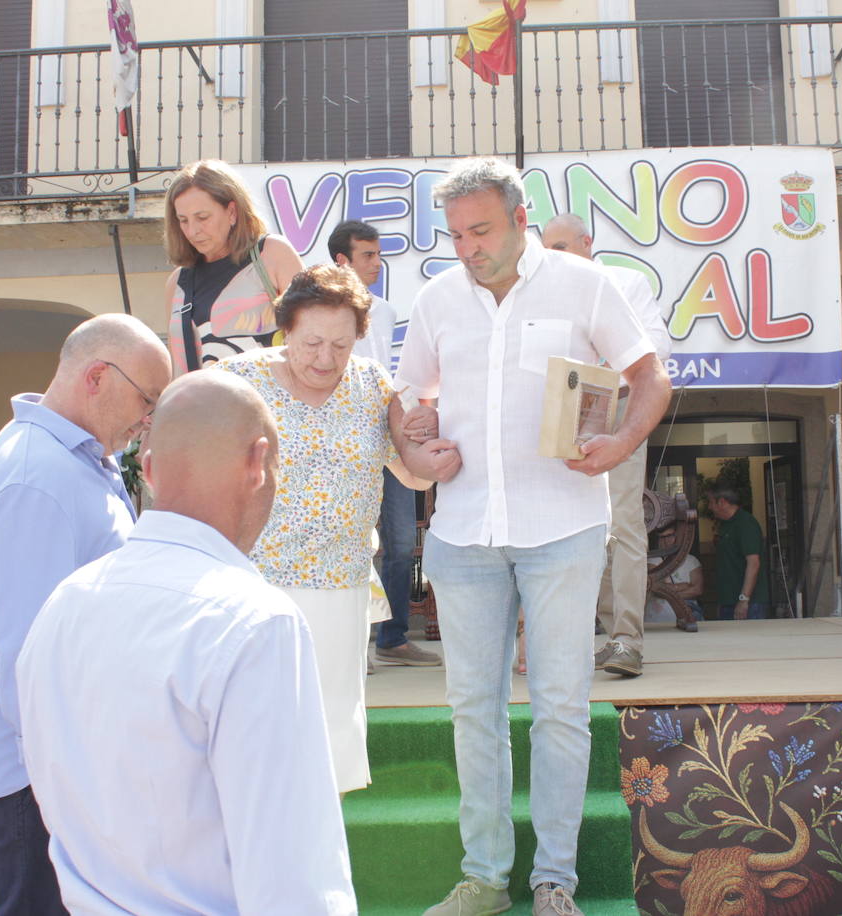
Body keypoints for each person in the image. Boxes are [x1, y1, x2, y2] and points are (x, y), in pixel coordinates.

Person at [395, 157, 670, 916]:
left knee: (560, 708)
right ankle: (485, 877)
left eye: (481, 229)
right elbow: (405, 398)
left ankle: (556, 882)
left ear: (521, 220)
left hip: (563, 528)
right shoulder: (437, 299)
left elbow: (651, 379)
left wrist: (620, 446)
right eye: (455, 234)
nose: (468, 247)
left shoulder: (585, 284)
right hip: (463, 532)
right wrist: (414, 448)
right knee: (472, 709)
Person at [16, 370, 357, 915]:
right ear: (258, 463)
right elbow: (292, 875)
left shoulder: (63, 605)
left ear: (147, 471)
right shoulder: (255, 622)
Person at [0, 314, 171, 915]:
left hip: (68, 762)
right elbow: (31, 657)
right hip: (42, 775)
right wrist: (70, 781)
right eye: (146, 399)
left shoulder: (74, 460)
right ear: (98, 376)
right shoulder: (37, 477)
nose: (148, 417)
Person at [223, 264, 459, 793]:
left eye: (341, 344)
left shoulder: (372, 384)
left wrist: (430, 442)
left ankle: (316, 853)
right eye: (311, 343)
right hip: (258, 586)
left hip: (341, 585)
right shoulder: (241, 382)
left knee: (331, 729)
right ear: (286, 329)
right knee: (258, 730)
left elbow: (413, 474)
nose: (326, 359)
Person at [542, 213, 671, 677]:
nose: (550, 256)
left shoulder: (624, 282)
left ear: (586, 242)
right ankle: (593, 636)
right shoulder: (543, 294)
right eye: (545, 249)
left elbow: (658, 346)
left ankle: (627, 640)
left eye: (559, 247)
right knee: (568, 522)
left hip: (614, 403)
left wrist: (604, 358)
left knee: (623, 522)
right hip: (563, 407)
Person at [328, 218, 443, 668]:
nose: (378, 263)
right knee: (350, 539)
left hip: (389, 438)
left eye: (378, 254)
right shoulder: (318, 309)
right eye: (367, 255)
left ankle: (391, 640)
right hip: (340, 441)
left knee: (398, 542)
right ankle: (350, 644)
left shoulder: (389, 310)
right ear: (343, 260)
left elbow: (393, 376)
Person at [163, 158, 304, 371]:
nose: (192, 231)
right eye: (183, 220)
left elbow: (312, 337)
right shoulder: (177, 283)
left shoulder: (273, 254)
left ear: (232, 212)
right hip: (199, 402)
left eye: (202, 217)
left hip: (272, 402)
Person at [709, 486, 769, 620]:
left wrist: (744, 599)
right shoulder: (725, 524)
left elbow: (753, 563)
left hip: (749, 603)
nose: (709, 507)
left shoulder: (745, 524)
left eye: (711, 502)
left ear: (722, 502)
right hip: (728, 601)